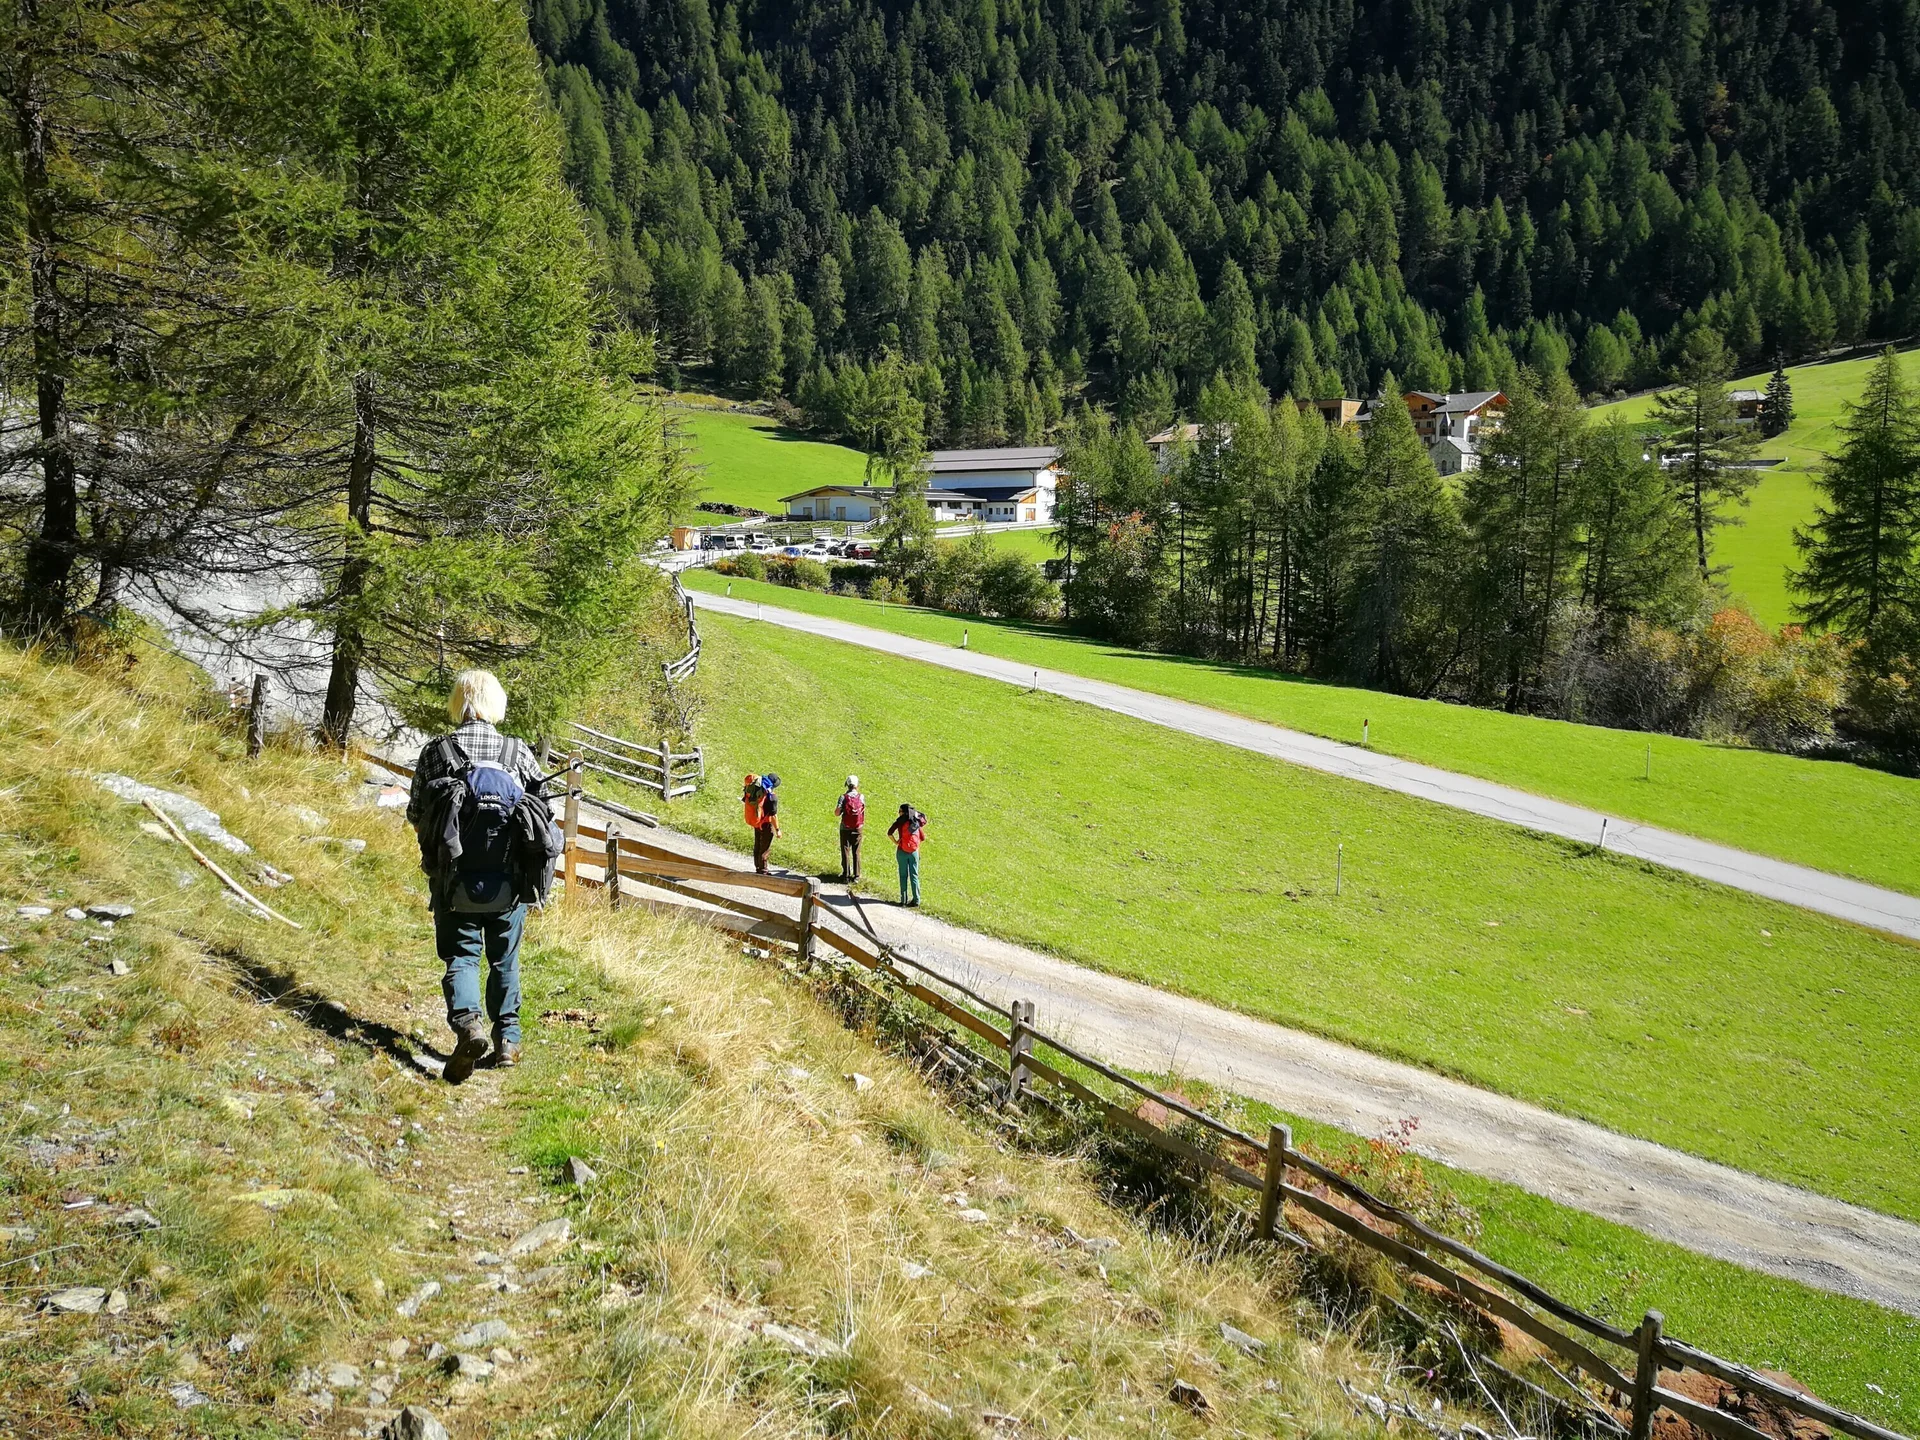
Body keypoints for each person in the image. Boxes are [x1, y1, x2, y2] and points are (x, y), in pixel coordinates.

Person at [406, 669, 545, 1083]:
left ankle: (469, 1026)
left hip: (454, 882)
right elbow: (542, 815)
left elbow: (415, 812)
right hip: (509, 884)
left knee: (462, 956)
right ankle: (508, 1042)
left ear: (459, 703)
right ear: (496, 704)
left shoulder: (437, 752)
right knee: (504, 959)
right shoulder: (518, 753)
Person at [887, 802, 926, 906]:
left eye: (899, 811)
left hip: (902, 851)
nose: (898, 813)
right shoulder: (915, 821)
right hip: (914, 852)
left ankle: (903, 900)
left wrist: (896, 842)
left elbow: (889, 833)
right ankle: (916, 900)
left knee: (903, 875)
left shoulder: (900, 822)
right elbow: (923, 838)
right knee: (914, 876)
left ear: (903, 812)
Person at [834, 775, 866, 884]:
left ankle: (846, 875)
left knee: (845, 851)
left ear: (847, 785)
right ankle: (857, 876)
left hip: (845, 828)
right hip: (858, 828)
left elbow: (837, 813)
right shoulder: (861, 797)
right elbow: (863, 811)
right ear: (857, 785)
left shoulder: (843, 797)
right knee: (856, 852)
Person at [753, 772, 781, 873]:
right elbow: (773, 816)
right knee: (765, 848)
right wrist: (777, 830)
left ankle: (757, 866)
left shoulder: (758, 792)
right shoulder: (772, 797)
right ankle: (763, 870)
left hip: (757, 822)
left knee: (757, 844)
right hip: (766, 824)